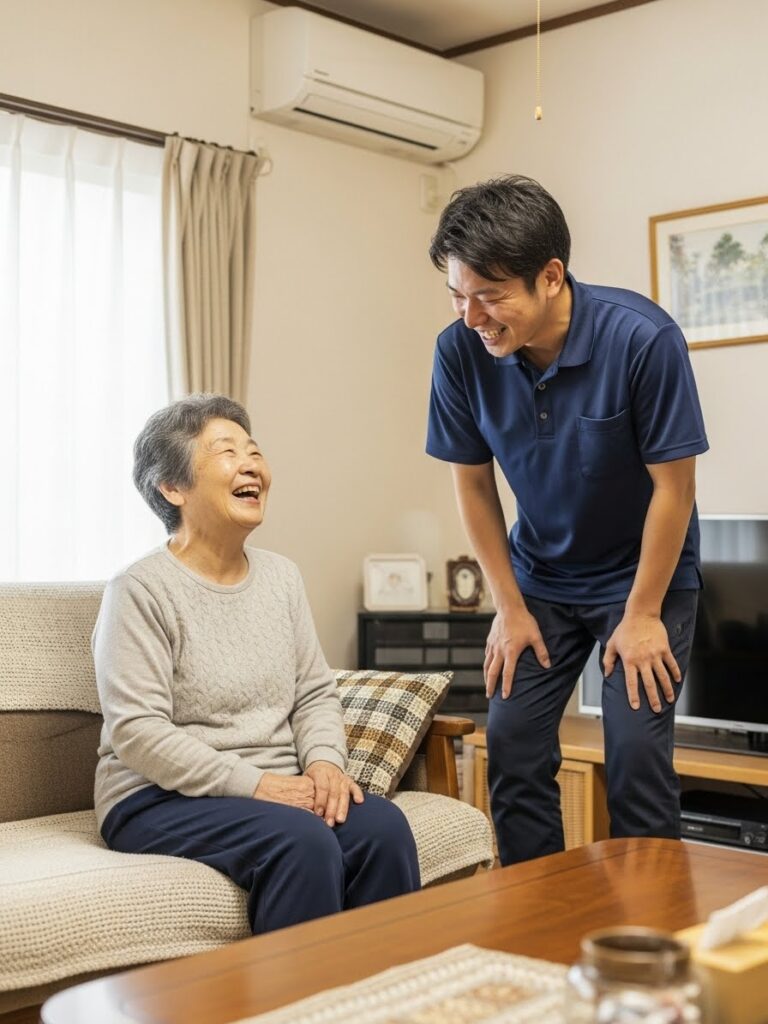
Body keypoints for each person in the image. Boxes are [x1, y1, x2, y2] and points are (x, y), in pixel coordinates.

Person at [426, 175, 709, 866]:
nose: (472, 317)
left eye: (490, 297)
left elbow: (675, 489)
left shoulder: (642, 340)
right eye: (458, 296)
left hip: (642, 580)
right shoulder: (460, 350)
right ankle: (538, 928)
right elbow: (472, 481)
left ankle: (651, 945)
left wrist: (642, 614)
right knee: (514, 750)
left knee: (638, 756)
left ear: (550, 277)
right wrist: (508, 606)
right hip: (539, 581)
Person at [94, 393, 420, 934]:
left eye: (254, 451)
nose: (251, 464)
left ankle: (382, 1006)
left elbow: (314, 694)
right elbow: (138, 732)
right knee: (302, 840)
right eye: (226, 452)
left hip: (275, 784)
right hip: (155, 797)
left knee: (381, 827)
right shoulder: (139, 589)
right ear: (172, 487)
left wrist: (323, 765)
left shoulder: (281, 578)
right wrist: (257, 785)